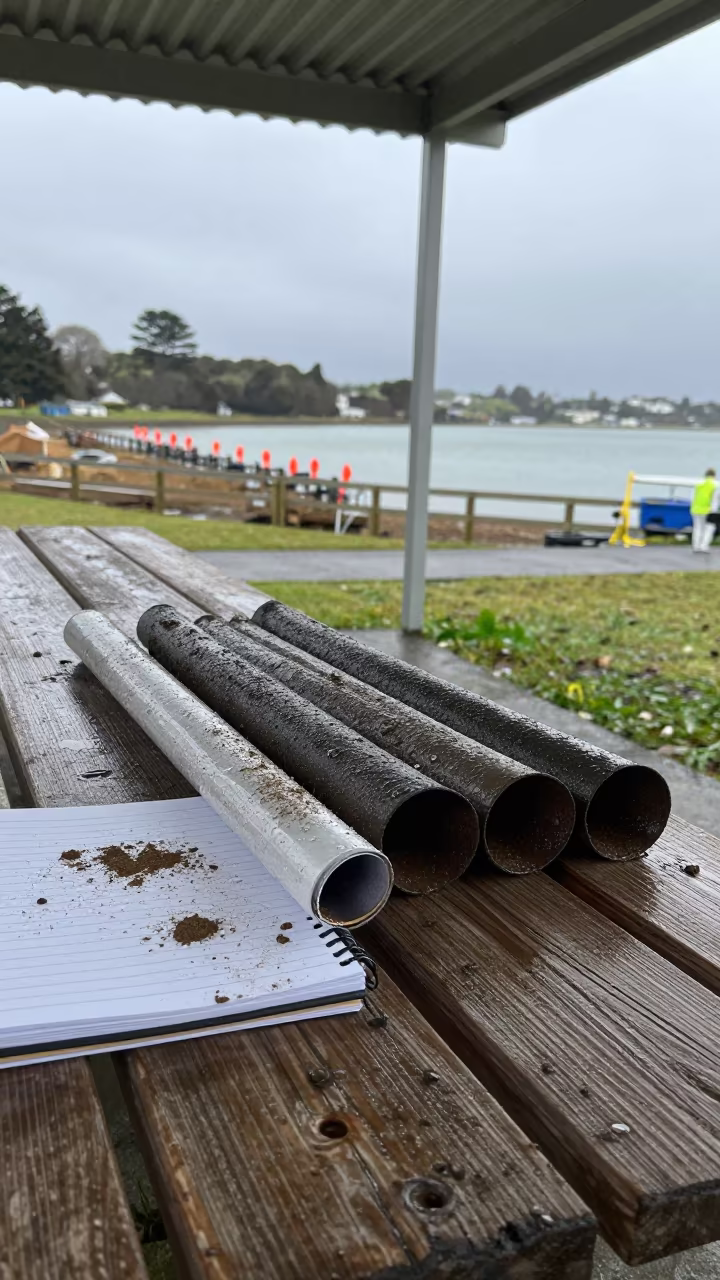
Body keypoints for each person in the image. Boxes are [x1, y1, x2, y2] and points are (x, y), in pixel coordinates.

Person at [691, 467, 719, 553]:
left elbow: (693, 496)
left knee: (697, 528)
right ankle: (704, 546)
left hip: (696, 509)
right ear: (714, 475)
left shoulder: (699, 484)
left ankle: (696, 546)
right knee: (710, 528)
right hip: (709, 510)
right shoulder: (716, 484)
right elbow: (716, 498)